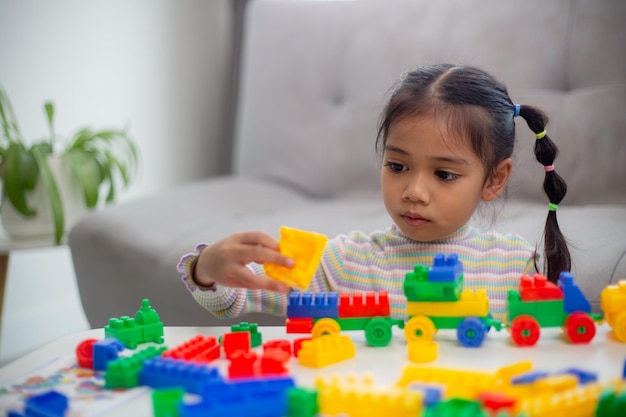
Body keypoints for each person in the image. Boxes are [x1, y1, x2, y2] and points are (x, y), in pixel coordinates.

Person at [178, 64, 570, 322]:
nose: (414, 192)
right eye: (397, 166)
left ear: (493, 180)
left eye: (444, 174)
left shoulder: (515, 266)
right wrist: (207, 268)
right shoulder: (345, 263)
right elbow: (236, 296)